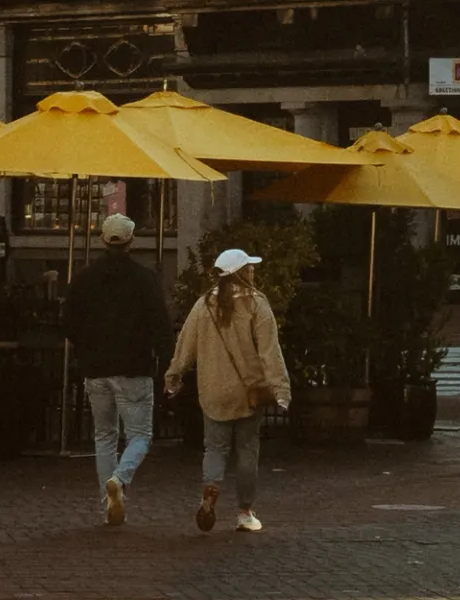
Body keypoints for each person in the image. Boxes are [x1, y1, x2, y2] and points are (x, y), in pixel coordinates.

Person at [165, 246, 291, 534]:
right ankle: (245, 512)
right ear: (242, 272)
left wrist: (174, 376)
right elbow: (270, 352)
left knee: (214, 447)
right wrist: (281, 389)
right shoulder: (256, 304)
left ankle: (210, 487)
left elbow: (185, 346)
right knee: (247, 449)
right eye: (250, 266)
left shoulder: (203, 305)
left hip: (212, 390)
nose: (253, 270)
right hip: (248, 391)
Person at [62, 210, 172, 527]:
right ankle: (120, 479)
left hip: (95, 368)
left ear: (102, 240)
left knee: (104, 436)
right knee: (140, 435)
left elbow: (68, 323)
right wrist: (167, 361)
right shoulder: (144, 278)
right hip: (134, 367)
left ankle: (107, 501)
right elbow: (160, 324)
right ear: (131, 241)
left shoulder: (83, 278)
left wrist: (86, 347)